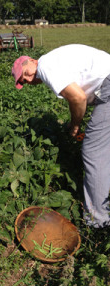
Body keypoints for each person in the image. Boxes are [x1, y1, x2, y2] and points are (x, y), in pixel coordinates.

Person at [12, 44, 110, 228]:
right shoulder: (54, 60)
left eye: (24, 73)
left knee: (93, 152)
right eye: (23, 81)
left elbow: (78, 98)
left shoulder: (44, 65)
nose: (27, 79)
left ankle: (98, 223)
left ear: (32, 61)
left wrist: (75, 125)